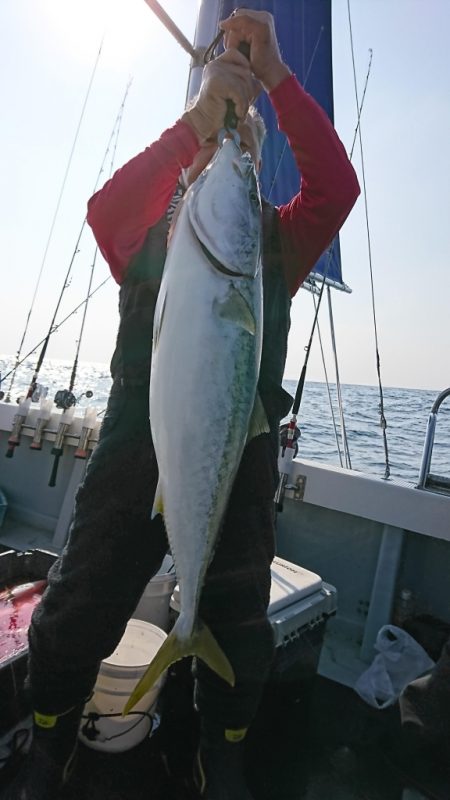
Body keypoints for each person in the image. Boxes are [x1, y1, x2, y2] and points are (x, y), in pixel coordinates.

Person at [0, 9, 359, 800]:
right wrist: (197, 121)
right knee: (81, 600)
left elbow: (338, 186)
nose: (230, 148)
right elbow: (107, 209)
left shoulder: (277, 244)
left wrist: (274, 81)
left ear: (260, 168)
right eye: (215, 146)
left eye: (245, 147)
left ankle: (221, 750)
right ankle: (51, 739)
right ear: (189, 164)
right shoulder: (153, 231)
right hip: (137, 451)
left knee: (239, 617)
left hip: (234, 460)